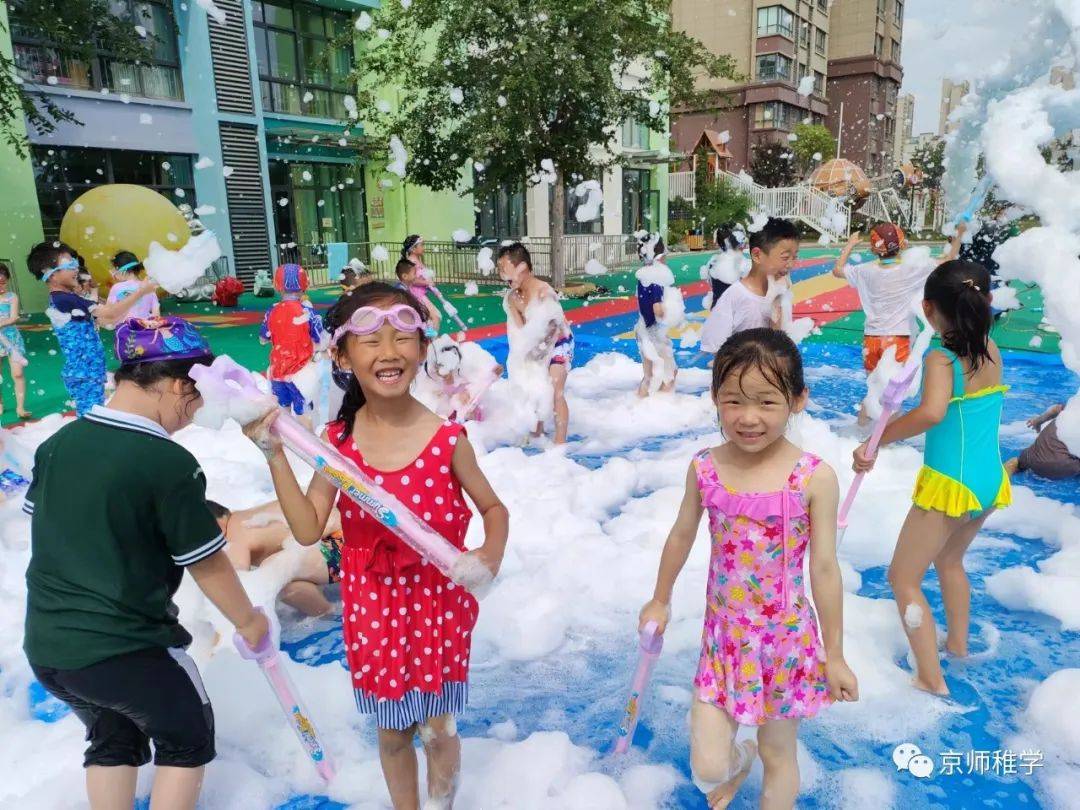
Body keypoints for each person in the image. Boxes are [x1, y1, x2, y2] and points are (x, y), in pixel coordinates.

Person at [243, 281, 509, 810]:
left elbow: (494, 509)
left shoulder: (446, 440)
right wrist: (274, 456)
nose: (388, 352)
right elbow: (306, 529)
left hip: (437, 605)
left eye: (402, 337)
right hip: (374, 609)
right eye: (370, 340)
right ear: (341, 354)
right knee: (392, 735)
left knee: (438, 729)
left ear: (423, 348)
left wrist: (490, 554)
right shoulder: (337, 445)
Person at [23, 316, 268, 810]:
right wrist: (250, 620)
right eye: (195, 400)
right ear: (180, 387)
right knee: (188, 738)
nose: (192, 415)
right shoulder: (166, 461)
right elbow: (208, 565)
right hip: (125, 648)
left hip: (50, 649)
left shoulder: (58, 445)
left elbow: (50, 529)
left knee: (114, 737)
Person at [640, 328, 857, 810]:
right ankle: (737, 761)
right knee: (708, 768)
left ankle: (759, 762)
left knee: (778, 752)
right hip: (724, 641)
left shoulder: (813, 478)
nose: (748, 417)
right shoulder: (705, 467)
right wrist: (660, 597)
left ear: (798, 400)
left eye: (766, 402)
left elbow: (823, 568)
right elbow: (681, 534)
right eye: (734, 401)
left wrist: (835, 654)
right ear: (716, 397)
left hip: (785, 642)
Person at [853, 260, 1010, 695]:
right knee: (950, 561)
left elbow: (931, 413)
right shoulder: (991, 348)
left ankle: (929, 676)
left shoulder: (941, 357)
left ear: (927, 308)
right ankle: (958, 646)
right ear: (987, 301)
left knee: (902, 578)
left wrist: (877, 439)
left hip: (949, 486)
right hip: (988, 482)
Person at [26, 241, 158, 416]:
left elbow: (106, 318)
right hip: (84, 373)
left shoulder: (67, 298)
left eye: (76, 263)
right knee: (91, 416)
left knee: (93, 413)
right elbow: (109, 313)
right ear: (49, 273)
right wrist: (140, 292)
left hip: (86, 371)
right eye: (70, 264)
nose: (76, 269)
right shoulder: (64, 300)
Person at [831, 222, 966, 376]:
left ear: (873, 249)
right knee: (895, 393)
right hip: (897, 338)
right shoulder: (912, 269)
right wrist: (960, 234)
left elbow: (837, 270)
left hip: (871, 339)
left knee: (873, 392)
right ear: (902, 245)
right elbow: (948, 261)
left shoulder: (864, 270)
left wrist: (850, 244)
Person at [207, 500, 344, 617]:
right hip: (347, 531)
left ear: (218, 527)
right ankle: (326, 609)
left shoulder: (233, 536)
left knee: (272, 574)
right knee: (287, 585)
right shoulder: (244, 517)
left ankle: (327, 614)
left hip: (343, 545)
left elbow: (238, 584)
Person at [497, 242, 574, 444]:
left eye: (504, 269)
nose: (501, 275)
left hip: (559, 341)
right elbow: (520, 333)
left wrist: (540, 351)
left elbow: (553, 327)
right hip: (535, 346)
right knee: (533, 383)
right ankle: (537, 430)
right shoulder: (513, 298)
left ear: (522, 267)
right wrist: (524, 358)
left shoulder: (543, 292)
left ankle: (560, 442)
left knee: (555, 387)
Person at [699, 218, 799, 356]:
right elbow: (716, 348)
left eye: (794, 257)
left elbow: (777, 346)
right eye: (785, 258)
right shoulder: (735, 296)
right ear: (757, 255)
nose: (791, 265)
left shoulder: (778, 295)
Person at [259, 263, 326, 423]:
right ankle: (309, 444)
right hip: (301, 373)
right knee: (305, 415)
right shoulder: (308, 312)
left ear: (277, 286)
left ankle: (285, 442)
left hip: (277, 371)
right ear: (305, 286)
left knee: (283, 414)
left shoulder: (271, 311)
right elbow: (321, 340)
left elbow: (263, 338)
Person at [634, 234, 683, 397]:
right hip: (655, 334)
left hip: (643, 330)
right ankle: (665, 406)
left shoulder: (643, 276)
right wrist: (672, 314)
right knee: (670, 373)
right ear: (659, 256)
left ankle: (639, 405)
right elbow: (657, 308)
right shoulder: (657, 278)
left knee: (648, 376)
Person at [1004, 403, 1080, 480]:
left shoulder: (1074, 405)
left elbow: (1055, 410)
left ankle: (1005, 475)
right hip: (1066, 467)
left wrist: (1037, 421)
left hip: (1032, 458)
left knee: (1017, 462)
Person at [0, 263, 30, 419]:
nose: (1, 285)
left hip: (11, 338)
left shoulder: (11, 297)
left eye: (3, 282)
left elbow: (13, 317)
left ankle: (20, 408)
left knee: (18, 373)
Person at [703, 223, 748, 308]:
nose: (744, 246)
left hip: (718, 312)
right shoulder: (741, 265)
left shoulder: (714, 262)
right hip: (734, 313)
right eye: (742, 242)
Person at [108, 251, 160, 321]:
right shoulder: (148, 286)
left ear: (122, 271)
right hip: (146, 327)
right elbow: (156, 312)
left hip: (126, 329)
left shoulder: (116, 288)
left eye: (114, 269)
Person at [395, 254, 442, 333]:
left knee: (431, 320)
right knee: (432, 320)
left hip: (410, 319)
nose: (416, 277)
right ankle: (430, 339)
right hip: (405, 321)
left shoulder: (406, 287)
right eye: (414, 274)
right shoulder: (401, 290)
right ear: (405, 276)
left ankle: (430, 338)